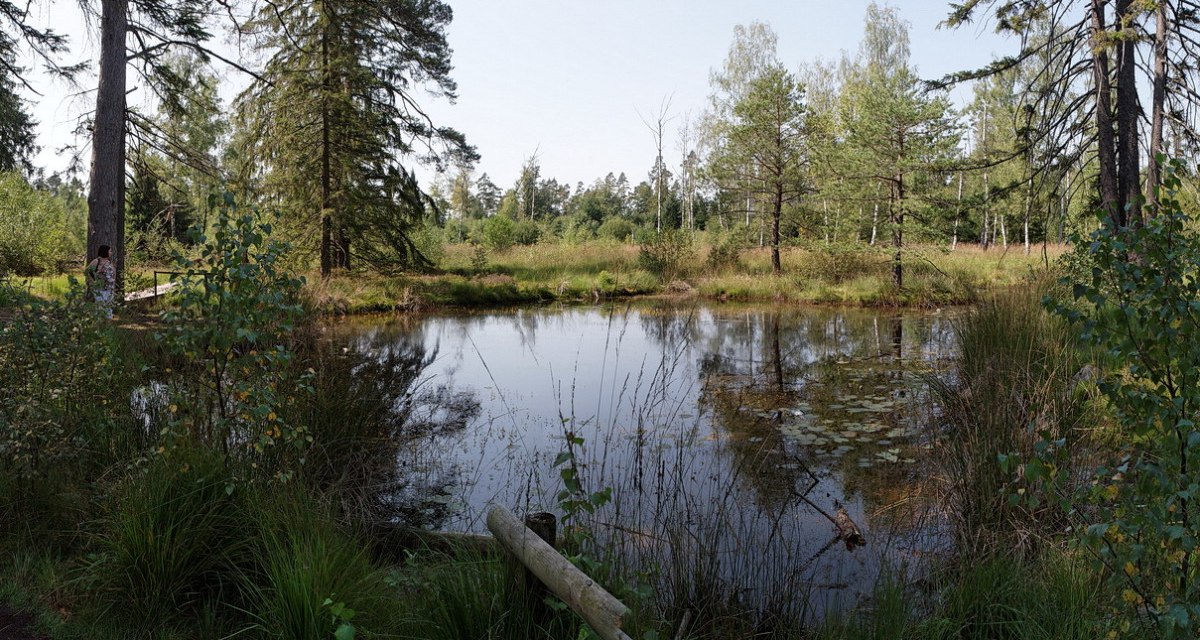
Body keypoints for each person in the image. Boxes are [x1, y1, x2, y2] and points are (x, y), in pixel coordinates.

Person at [84, 245, 116, 319]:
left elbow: (113, 275)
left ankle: (108, 325)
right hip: (100, 288)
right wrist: (92, 282)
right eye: (110, 251)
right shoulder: (97, 261)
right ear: (105, 251)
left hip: (109, 288)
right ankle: (99, 324)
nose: (111, 253)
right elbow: (87, 272)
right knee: (100, 307)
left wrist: (114, 287)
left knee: (109, 307)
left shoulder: (109, 262)